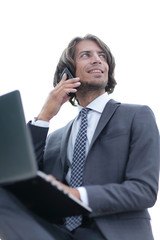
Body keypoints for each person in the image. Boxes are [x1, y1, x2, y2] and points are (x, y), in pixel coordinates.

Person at [0, 34, 159, 240]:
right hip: (59, 232)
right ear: (67, 74)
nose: (97, 60)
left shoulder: (136, 115)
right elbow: (21, 177)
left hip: (112, 234)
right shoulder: (55, 139)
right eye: (86, 55)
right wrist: (45, 115)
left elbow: (144, 190)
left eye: (102, 55)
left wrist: (76, 195)